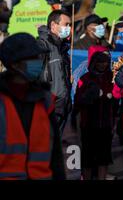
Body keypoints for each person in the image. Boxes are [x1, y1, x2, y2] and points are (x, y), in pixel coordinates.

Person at [0, 33, 65, 180]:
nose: (38, 62)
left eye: (38, 57)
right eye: (32, 58)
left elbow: (55, 154)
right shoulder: (2, 100)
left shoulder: (45, 99)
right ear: (15, 64)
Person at [74, 46, 115, 180]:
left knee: (103, 159)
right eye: (99, 61)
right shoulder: (85, 78)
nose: (103, 64)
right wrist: (90, 95)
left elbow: (117, 95)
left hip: (106, 124)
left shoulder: (111, 78)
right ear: (93, 62)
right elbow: (78, 100)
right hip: (89, 125)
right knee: (88, 159)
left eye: (105, 61)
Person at [37, 9, 72, 134]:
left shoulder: (63, 47)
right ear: (53, 25)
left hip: (62, 107)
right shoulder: (42, 45)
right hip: (49, 106)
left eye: (70, 25)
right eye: (66, 24)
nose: (69, 28)